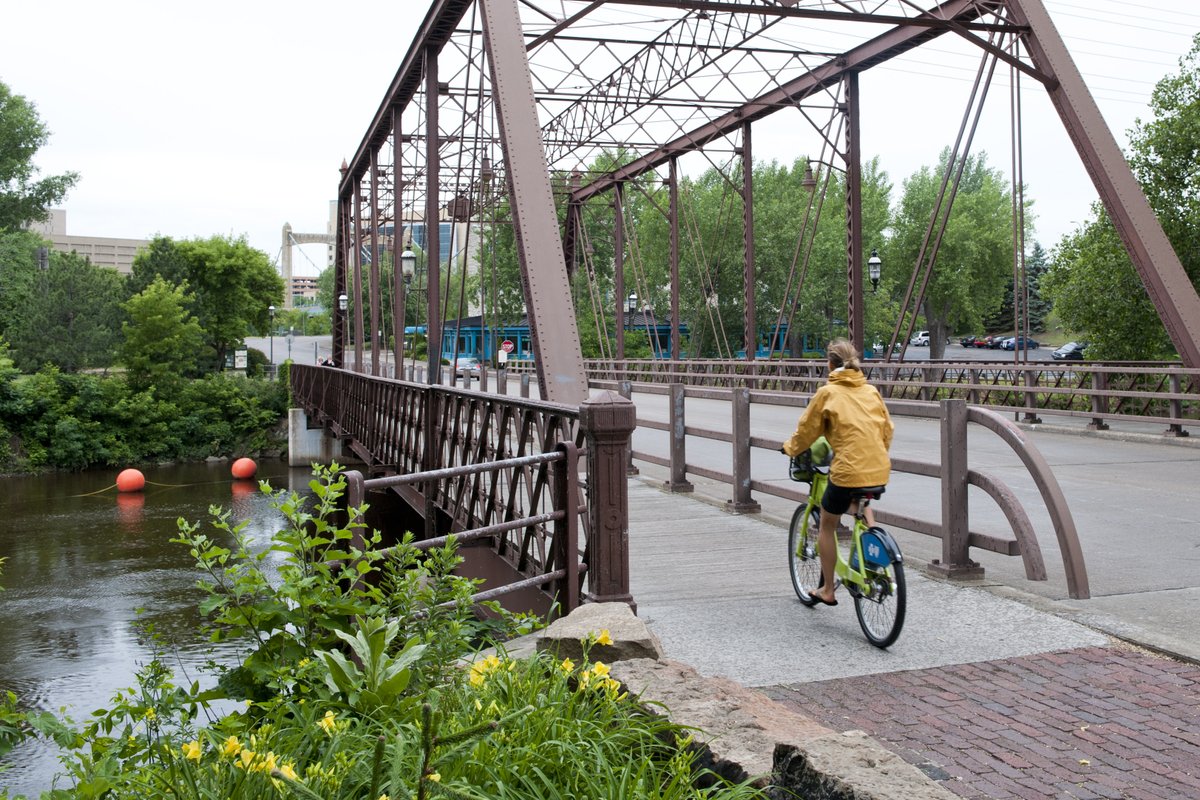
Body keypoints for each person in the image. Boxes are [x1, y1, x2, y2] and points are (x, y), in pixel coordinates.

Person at [782, 338, 893, 606]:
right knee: (862, 506)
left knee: (827, 524)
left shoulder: (827, 393)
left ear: (830, 364)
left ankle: (828, 589)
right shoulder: (871, 391)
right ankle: (875, 559)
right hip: (878, 468)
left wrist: (790, 448)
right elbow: (887, 430)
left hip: (847, 471)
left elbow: (806, 431)